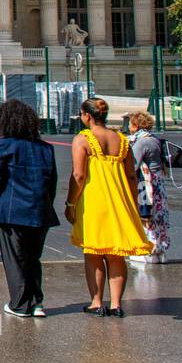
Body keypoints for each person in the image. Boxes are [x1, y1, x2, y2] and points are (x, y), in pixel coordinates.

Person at [66, 98, 152, 317]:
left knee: (93, 254)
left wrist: (70, 203)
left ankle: (96, 302)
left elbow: (79, 175)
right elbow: (132, 176)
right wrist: (132, 203)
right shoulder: (122, 141)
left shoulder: (82, 139)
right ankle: (116, 304)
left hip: (94, 202)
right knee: (116, 255)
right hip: (119, 201)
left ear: (87, 116)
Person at [0, 99, 59, 317]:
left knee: (15, 258)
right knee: (33, 258)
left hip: (12, 210)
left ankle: (20, 304)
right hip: (40, 209)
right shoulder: (45, 148)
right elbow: (51, 181)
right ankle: (37, 302)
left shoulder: (3, 145)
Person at [126, 111, 170, 265]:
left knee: (147, 217)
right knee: (158, 217)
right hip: (158, 183)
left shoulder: (141, 142)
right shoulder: (153, 138)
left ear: (136, 125)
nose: (128, 127)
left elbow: (134, 165)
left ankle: (149, 251)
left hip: (146, 184)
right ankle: (159, 251)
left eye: (130, 124)